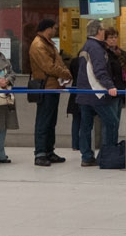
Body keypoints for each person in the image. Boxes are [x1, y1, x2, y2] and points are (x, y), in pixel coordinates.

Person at [73, 20, 121, 167]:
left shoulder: (86, 46)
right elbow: (99, 70)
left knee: (86, 126)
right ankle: (107, 156)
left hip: (83, 93)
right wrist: (109, 86)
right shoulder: (96, 48)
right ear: (99, 32)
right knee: (111, 122)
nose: (104, 32)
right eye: (103, 30)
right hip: (96, 93)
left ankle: (86, 156)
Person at [29, 19, 73, 166]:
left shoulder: (48, 43)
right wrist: (66, 74)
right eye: (54, 28)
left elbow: (57, 63)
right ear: (47, 29)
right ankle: (40, 153)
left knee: (51, 121)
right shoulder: (38, 45)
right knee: (43, 121)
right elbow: (49, 67)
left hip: (53, 87)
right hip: (45, 87)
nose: (56, 31)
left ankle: (49, 151)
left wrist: (64, 72)